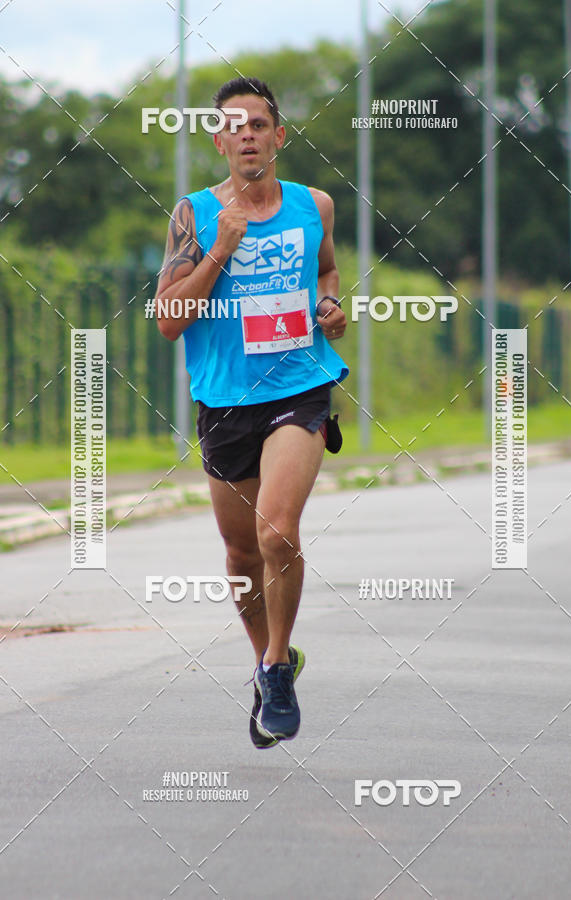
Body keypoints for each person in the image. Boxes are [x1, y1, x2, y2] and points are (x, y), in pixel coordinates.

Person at [156, 76, 348, 748]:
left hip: (299, 387)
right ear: (218, 142)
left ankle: (276, 670)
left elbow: (326, 271)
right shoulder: (194, 216)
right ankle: (270, 656)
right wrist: (219, 249)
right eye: (233, 127)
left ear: (278, 136)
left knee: (276, 531)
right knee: (241, 551)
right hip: (224, 400)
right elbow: (168, 320)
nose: (247, 135)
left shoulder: (314, 206)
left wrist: (330, 305)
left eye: (258, 124)